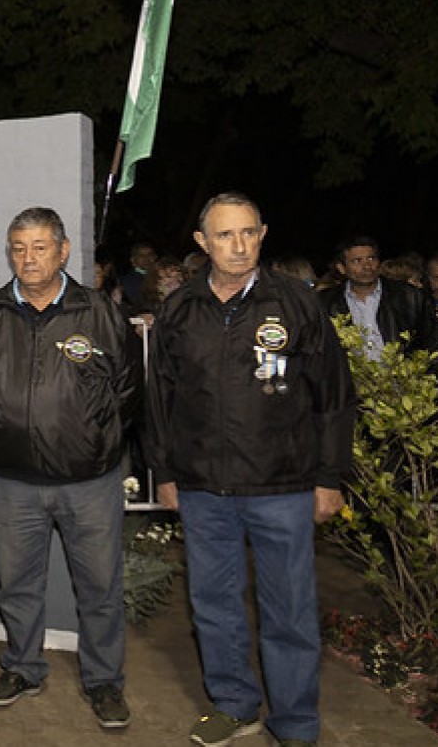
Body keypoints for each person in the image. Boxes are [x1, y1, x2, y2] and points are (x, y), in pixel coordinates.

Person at [145, 193, 353, 747]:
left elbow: (333, 395)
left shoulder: (297, 303)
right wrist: (165, 472)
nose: (237, 246)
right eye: (224, 235)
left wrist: (329, 478)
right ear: (201, 242)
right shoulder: (180, 308)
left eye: (248, 233)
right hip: (202, 489)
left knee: (288, 611)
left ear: (262, 234)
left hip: (282, 485)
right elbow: (159, 399)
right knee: (213, 606)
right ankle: (234, 704)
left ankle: (295, 723)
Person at [0, 207, 142, 729]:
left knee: (100, 588)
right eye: (19, 247)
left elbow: (129, 392)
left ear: (63, 251)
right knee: (17, 585)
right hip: (15, 482)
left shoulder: (101, 313)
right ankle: (22, 666)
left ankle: (104, 681)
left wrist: (92, 438)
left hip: (90, 482)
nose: (28, 257)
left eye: (40, 246)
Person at [318, 236, 438, 359]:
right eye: (357, 261)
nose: (367, 266)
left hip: (401, 375)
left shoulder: (409, 297)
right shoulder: (326, 302)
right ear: (341, 268)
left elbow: (432, 342)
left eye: (371, 258)